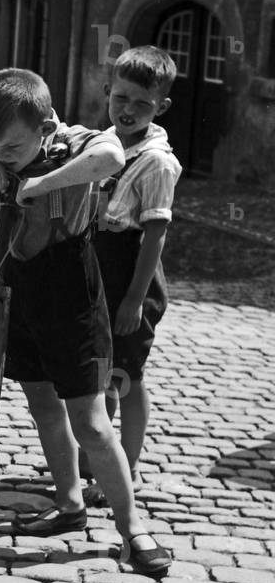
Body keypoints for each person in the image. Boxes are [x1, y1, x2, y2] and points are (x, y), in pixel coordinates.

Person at [0, 68, 171, 576]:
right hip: (12, 287)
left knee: (92, 424)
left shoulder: (73, 143)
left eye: (13, 145)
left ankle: (133, 528)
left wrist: (40, 184)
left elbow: (112, 156)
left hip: (71, 293)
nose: (4, 154)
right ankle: (70, 506)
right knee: (41, 405)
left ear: (46, 125)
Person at [80, 46, 182, 503]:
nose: (128, 110)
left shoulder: (156, 161)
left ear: (161, 107)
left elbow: (154, 237)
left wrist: (133, 301)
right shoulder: (104, 145)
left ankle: (129, 467)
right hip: (98, 270)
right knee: (100, 371)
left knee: (128, 374)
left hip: (132, 276)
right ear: (108, 93)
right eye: (121, 98)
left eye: (142, 104)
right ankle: (98, 456)